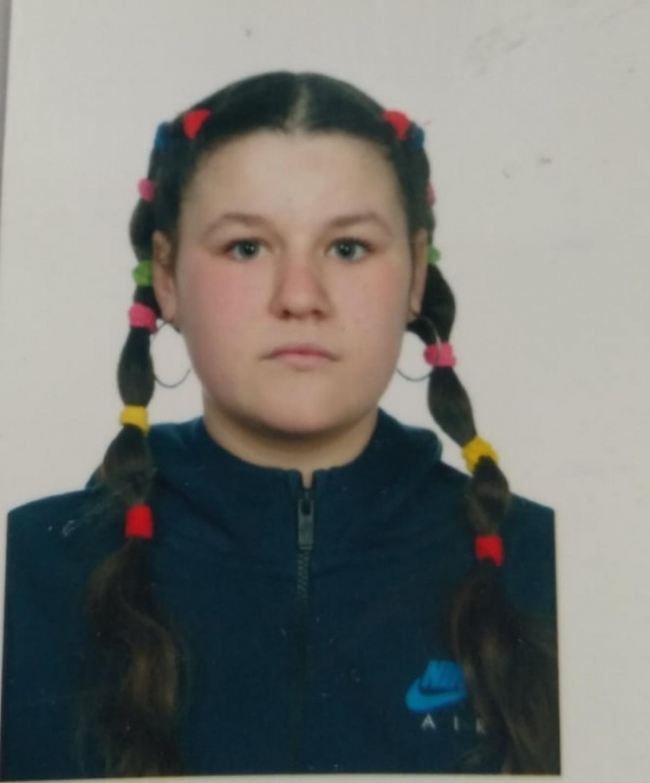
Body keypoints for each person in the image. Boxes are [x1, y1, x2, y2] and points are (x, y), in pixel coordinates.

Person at [0, 70, 559, 778]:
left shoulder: (547, 563)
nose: (300, 297)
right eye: (246, 247)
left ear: (417, 273)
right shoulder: (28, 567)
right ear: (166, 275)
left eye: (348, 247)